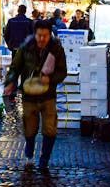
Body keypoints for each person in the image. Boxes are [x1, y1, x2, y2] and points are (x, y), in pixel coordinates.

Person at [4, 20, 67, 171]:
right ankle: (29, 150)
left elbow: (62, 71)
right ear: (35, 34)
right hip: (29, 95)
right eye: (39, 35)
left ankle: (44, 159)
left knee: (50, 129)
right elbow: (15, 67)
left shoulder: (56, 48)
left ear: (49, 34)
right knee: (30, 128)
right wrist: (10, 82)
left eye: (45, 36)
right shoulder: (26, 47)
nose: (42, 39)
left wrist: (51, 79)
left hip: (48, 95)